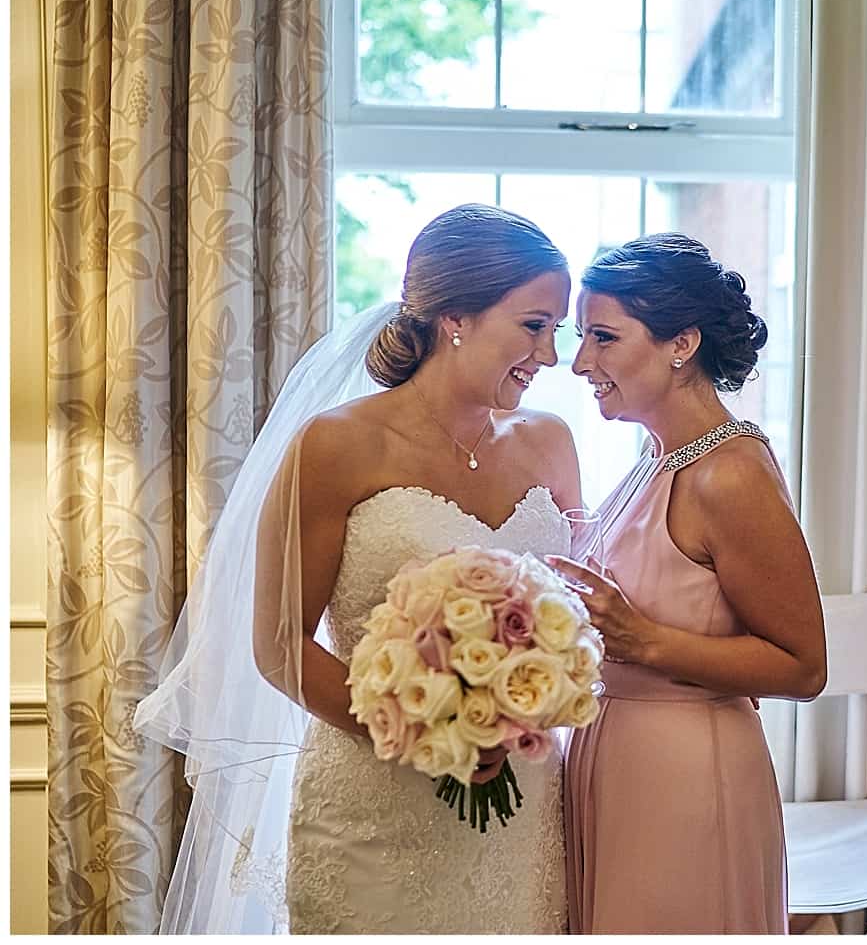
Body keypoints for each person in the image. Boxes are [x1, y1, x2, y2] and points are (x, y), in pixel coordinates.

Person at [135, 204, 580, 933]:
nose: (550, 355)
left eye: (555, 330)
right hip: (374, 803)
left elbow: (570, 609)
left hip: (521, 806)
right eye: (533, 326)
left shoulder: (552, 443)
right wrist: (433, 738)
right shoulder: (337, 444)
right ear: (455, 318)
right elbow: (280, 646)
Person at [552, 233, 827, 934]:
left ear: (682, 344)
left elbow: (803, 667)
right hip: (616, 764)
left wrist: (644, 641)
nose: (582, 362)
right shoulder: (655, 457)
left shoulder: (730, 474)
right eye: (582, 337)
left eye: (604, 338)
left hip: (687, 779)